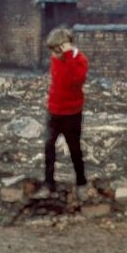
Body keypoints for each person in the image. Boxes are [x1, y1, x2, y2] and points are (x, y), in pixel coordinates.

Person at [39, 26, 88, 199]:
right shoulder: (56, 59)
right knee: (48, 147)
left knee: (74, 148)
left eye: (55, 49)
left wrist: (69, 57)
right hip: (54, 111)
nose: (52, 54)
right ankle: (48, 183)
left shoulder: (79, 60)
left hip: (72, 113)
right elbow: (57, 81)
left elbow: (75, 81)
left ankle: (81, 183)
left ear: (64, 46)